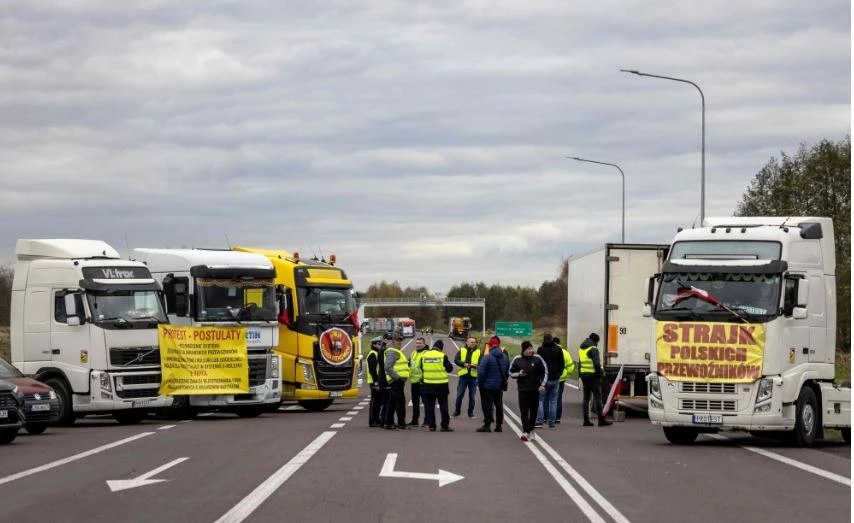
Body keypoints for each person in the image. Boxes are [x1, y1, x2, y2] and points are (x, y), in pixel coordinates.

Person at [509, 340, 547, 442]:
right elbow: (510, 372)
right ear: (523, 350)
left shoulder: (538, 358)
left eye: (531, 348)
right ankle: (526, 431)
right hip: (523, 390)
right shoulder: (517, 359)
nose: (530, 350)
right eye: (528, 349)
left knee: (534, 412)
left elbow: (545, 371)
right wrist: (518, 374)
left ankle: (532, 430)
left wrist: (542, 384)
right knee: (524, 411)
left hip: (535, 390)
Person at [419, 340, 455, 432]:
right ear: (441, 348)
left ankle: (432, 425)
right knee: (443, 406)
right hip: (441, 385)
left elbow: (421, 368)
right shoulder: (442, 356)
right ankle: (444, 426)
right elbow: (450, 369)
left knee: (430, 406)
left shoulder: (424, 356)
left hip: (428, 385)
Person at [476, 336, 509, 433]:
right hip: (498, 386)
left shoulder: (487, 357)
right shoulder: (505, 357)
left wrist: (480, 384)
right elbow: (506, 372)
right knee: (499, 405)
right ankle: (499, 426)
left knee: (487, 405)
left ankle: (487, 425)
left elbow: (481, 373)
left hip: (487, 386)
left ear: (490, 346)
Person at [579, 333, 612, 427]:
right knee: (598, 397)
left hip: (584, 375)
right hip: (593, 376)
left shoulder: (581, 349)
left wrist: (581, 375)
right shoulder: (593, 349)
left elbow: (581, 363)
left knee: (586, 398)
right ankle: (601, 420)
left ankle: (586, 420)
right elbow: (597, 364)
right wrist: (600, 374)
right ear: (595, 341)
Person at [536, 333, 564, 428]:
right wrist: (559, 373)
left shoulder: (540, 349)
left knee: (540, 400)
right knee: (553, 400)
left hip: (543, 379)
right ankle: (551, 422)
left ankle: (540, 420)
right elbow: (562, 363)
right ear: (552, 339)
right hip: (555, 377)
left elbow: (537, 363)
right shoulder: (558, 349)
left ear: (544, 339)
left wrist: (539, 375)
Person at [383, 333, 409, 430]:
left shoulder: (395, 351)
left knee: (392, 403)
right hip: (396, 381)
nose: (400, 342)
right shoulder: (392, 351)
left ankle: (388, 423)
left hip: (396, 381)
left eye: (400, 340)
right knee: (400, 403)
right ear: (392, 341)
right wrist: (397, 378)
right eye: (398, 340)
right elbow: (387, 367)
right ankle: (401, 423)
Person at [453, 337, 481, 418]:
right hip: (463, 377)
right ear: (467, 342)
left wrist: (475, 366)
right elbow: (456, 360)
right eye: (471, 342)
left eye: (474, 342)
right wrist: (464, 364)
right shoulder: (462, 350)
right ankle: (457, 411)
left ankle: (470, 413)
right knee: (459, 395)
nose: (473, 343)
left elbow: (482, 362)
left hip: (473, 377)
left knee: (472, 397)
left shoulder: (479, 352)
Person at [365, 336, 389, 427]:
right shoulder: (372, 354)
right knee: (375, 402)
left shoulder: (377, 353)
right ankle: (373, 421)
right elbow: (372, 370)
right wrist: (376, 382)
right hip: (374, 382)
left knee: (378, 402)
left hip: (378, 381)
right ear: (374, 344)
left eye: (381, 344)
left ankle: (377, 419)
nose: (380, 345)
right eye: (379, 344)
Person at [407, 337, 429, 426]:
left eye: (420, 343)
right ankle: (414, 420)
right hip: (414, 381)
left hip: (423, 382)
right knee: (415, 402)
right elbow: (411, 364)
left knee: (426, 402)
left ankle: (427, 420)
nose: (418, 345)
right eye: (417, 343)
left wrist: (424, 380)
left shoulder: (427, 353)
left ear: (424, 344)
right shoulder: (413, 353)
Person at [554, 337, 575, 424]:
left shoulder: (550, 351)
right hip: (562, 379)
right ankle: (558, 417)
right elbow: (571, 366)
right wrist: (566, 373)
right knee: (558, 398)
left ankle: (548, 417)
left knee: (550, 398)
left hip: (552, 378)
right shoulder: (565, 352)